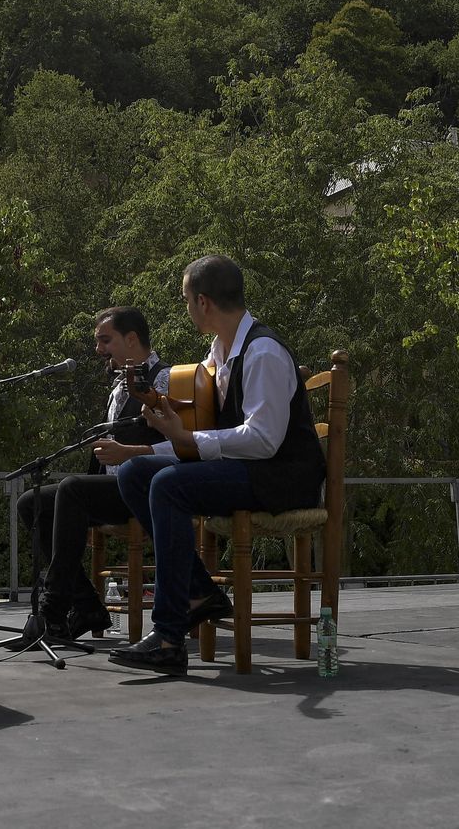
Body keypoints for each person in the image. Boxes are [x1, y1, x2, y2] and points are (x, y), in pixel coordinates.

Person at [108, 255, 326, 675]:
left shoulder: (262, 352)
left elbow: (263, 441)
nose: (186, 307)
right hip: (248, 470)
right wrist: (162, 443)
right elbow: (205, 441)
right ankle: (199, 593)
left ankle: (170, 637)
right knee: (138, 475)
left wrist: (188, 440)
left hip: (280, 478)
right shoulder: (217, 356)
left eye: (186, 299)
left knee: (169, 486)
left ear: (203, 303)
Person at [15, 307, 170, 639]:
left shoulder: (165, 380)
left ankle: (53, 611)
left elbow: (184, 446)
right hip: (109, 488)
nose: (99, 349)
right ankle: (86, 607)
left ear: (131, 339)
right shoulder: (118, 385)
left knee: (72, 489)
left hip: (145, 489)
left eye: (105, 340)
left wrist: (129, 453)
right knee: (31, 502)